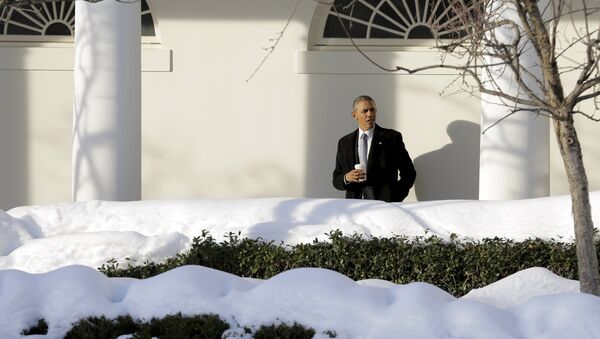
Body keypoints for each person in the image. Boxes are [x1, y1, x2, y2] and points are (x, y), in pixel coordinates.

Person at [332, 95, 416, 202]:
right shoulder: (344, 143)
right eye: (365, 111)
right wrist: (347, 178)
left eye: (372, 110)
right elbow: (336, 179)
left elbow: (409, 172)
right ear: (354, 115)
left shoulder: (391, 138)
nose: (370, 114)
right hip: (354, 207)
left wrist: (396, 196)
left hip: (384, 206)